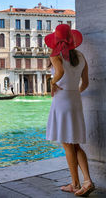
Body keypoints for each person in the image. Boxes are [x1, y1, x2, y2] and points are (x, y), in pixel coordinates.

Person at [44, 24, 95, 197]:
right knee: (75, 143)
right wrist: (74, 93)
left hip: (62, 100)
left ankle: (75, 184)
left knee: (67, 143)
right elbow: (86, 83)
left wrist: (52, 83)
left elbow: (59, 71)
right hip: (75, 99)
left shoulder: (55, 55)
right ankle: (87, 181)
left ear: (56, 40)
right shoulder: (81, 56)